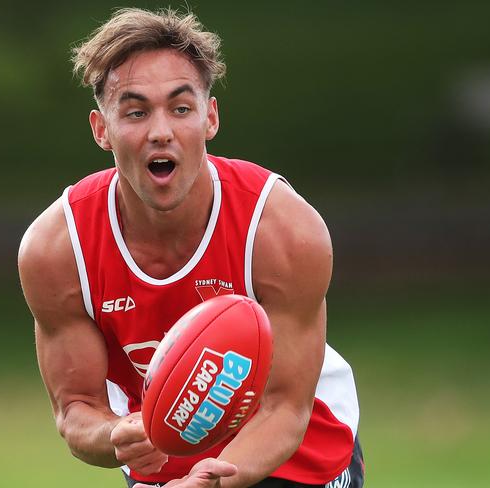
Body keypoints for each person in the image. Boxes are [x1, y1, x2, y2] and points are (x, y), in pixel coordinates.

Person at [18, 7, 363, 488]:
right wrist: (114, 434)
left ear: (210, 118)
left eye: (180, 108)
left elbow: (286, 408)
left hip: (298, 453)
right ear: (101, 129)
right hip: (163, 467)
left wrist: (213, 480)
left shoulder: (282, 229)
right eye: (136, 112)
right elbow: (76, 408)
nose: (161, 131)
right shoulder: (57, 248)